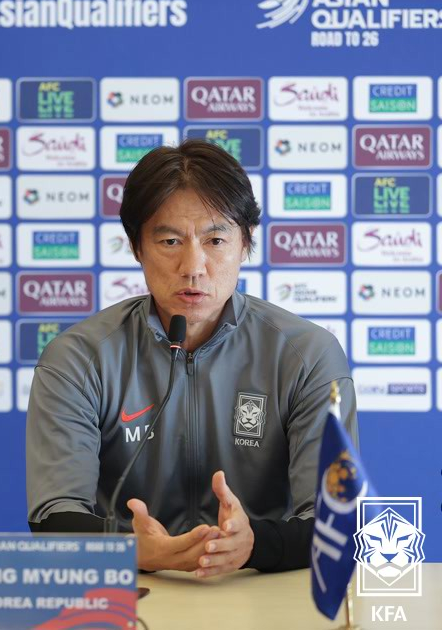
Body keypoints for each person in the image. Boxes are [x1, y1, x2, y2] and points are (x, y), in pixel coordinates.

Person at [26, 139, 357, 576]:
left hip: (261, 591)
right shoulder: (79, 359)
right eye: (169, 240)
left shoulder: (305, 355)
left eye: (216, 239)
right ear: (136, 247)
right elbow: (54, 514)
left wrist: (253, 544)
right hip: (129, 592)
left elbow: (338, 521)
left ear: (245, 244)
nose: (193, 266)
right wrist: (133, 549)